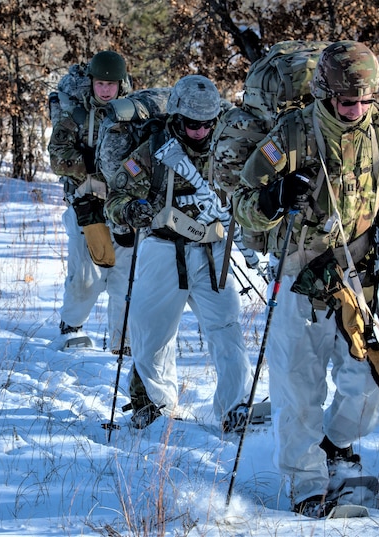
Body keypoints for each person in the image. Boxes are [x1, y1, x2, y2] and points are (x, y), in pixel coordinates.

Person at [232, 40, 379, 517]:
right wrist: (272, 199)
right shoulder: (291, 133)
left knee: (377, 388)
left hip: (361, 279)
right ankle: (307, 486)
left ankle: (334, 445)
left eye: (366, 100)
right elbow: (244, 203)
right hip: (299, 275)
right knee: (298, 389)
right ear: (326, 92)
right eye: (348, 101)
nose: (357, 110)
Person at [105, 74, 253, 431]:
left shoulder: (229, 147)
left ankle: (234, 409)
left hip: (213, 250)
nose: (200, 132)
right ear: (175, 117)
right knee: (151, 334)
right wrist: (130, 211)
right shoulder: (153, 152)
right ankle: (154, 406)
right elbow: (115, 199)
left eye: (207, 124)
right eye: (191, 124)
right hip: (162, 251)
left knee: (227, 331)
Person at [48, 50, 135, 353]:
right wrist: (89, 167)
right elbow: (58, 158)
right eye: (100, 84)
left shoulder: (134, 113)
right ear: (91, 83)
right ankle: (71, 326)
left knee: (125, 277)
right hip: (86, 203)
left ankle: (122, 342)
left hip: (123, 207)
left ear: (121, 84)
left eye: (112, 85)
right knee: (85, 277)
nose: (106, 90)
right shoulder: (75, 114)